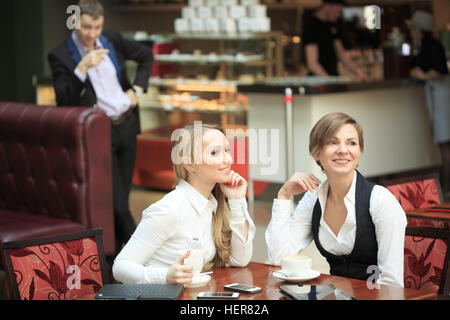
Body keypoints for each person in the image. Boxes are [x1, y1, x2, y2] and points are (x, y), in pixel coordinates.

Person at [47, 0, 153, 256]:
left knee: (121, 199)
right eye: (86, 27)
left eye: (96, 27)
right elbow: (63, 100)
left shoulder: (112, 39)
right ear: (75, 23)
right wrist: (81, 69)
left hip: (127, 124)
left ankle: (114, 260)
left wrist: (137, 89)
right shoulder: (61, 55)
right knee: (116, 204)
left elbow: (146, 55)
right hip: (99, 133)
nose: (92, 34)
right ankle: (149, 255)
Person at [265, 112, 407, 287]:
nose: (343, 150)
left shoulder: (381, 201)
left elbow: (391, 283)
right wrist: (283, 196)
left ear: (359, 151)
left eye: (351, 143)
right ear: (315, 152)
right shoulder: (313, 199)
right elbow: (279, 257)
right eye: (333, 142)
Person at [112, 123, 255, 285]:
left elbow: (240, 260)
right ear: (190, 164)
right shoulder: (170, 209)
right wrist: (166, 276)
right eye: (215, 152)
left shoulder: (213, 205)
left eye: (227, 150)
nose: (228, 159)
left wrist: (237, 201)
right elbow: (120, 267)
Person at [407, 10, 450, 196]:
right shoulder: (427, 44)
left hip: (441, 96)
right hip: (440, 94)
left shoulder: (430, 45)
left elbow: (439, 70)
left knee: (445, 143)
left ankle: (447, 188)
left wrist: (421, 74)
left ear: (418, 29)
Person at [303, 0, 366, 81]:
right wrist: (329, 81)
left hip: (333, 77)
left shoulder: (332, 25)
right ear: (328, 6)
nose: (338, 15)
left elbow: (341, 54)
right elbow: (312, 63)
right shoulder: (312, 26)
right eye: (338, 11)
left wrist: (358, 72)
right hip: (318, 80)